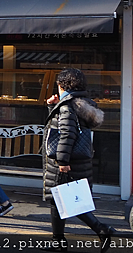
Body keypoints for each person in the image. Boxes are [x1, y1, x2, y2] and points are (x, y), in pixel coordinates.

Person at [42, 68, 115, 252]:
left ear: (63, 85)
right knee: (61, 199)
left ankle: (101, 229)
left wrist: (62, 161)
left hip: (67, 162)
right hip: (79, 160)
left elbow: (66, 134)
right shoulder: (82, 103)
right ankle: (59, 241)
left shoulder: (68, 106)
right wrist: (53, 107)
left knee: (65, 199)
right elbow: (63, 126)